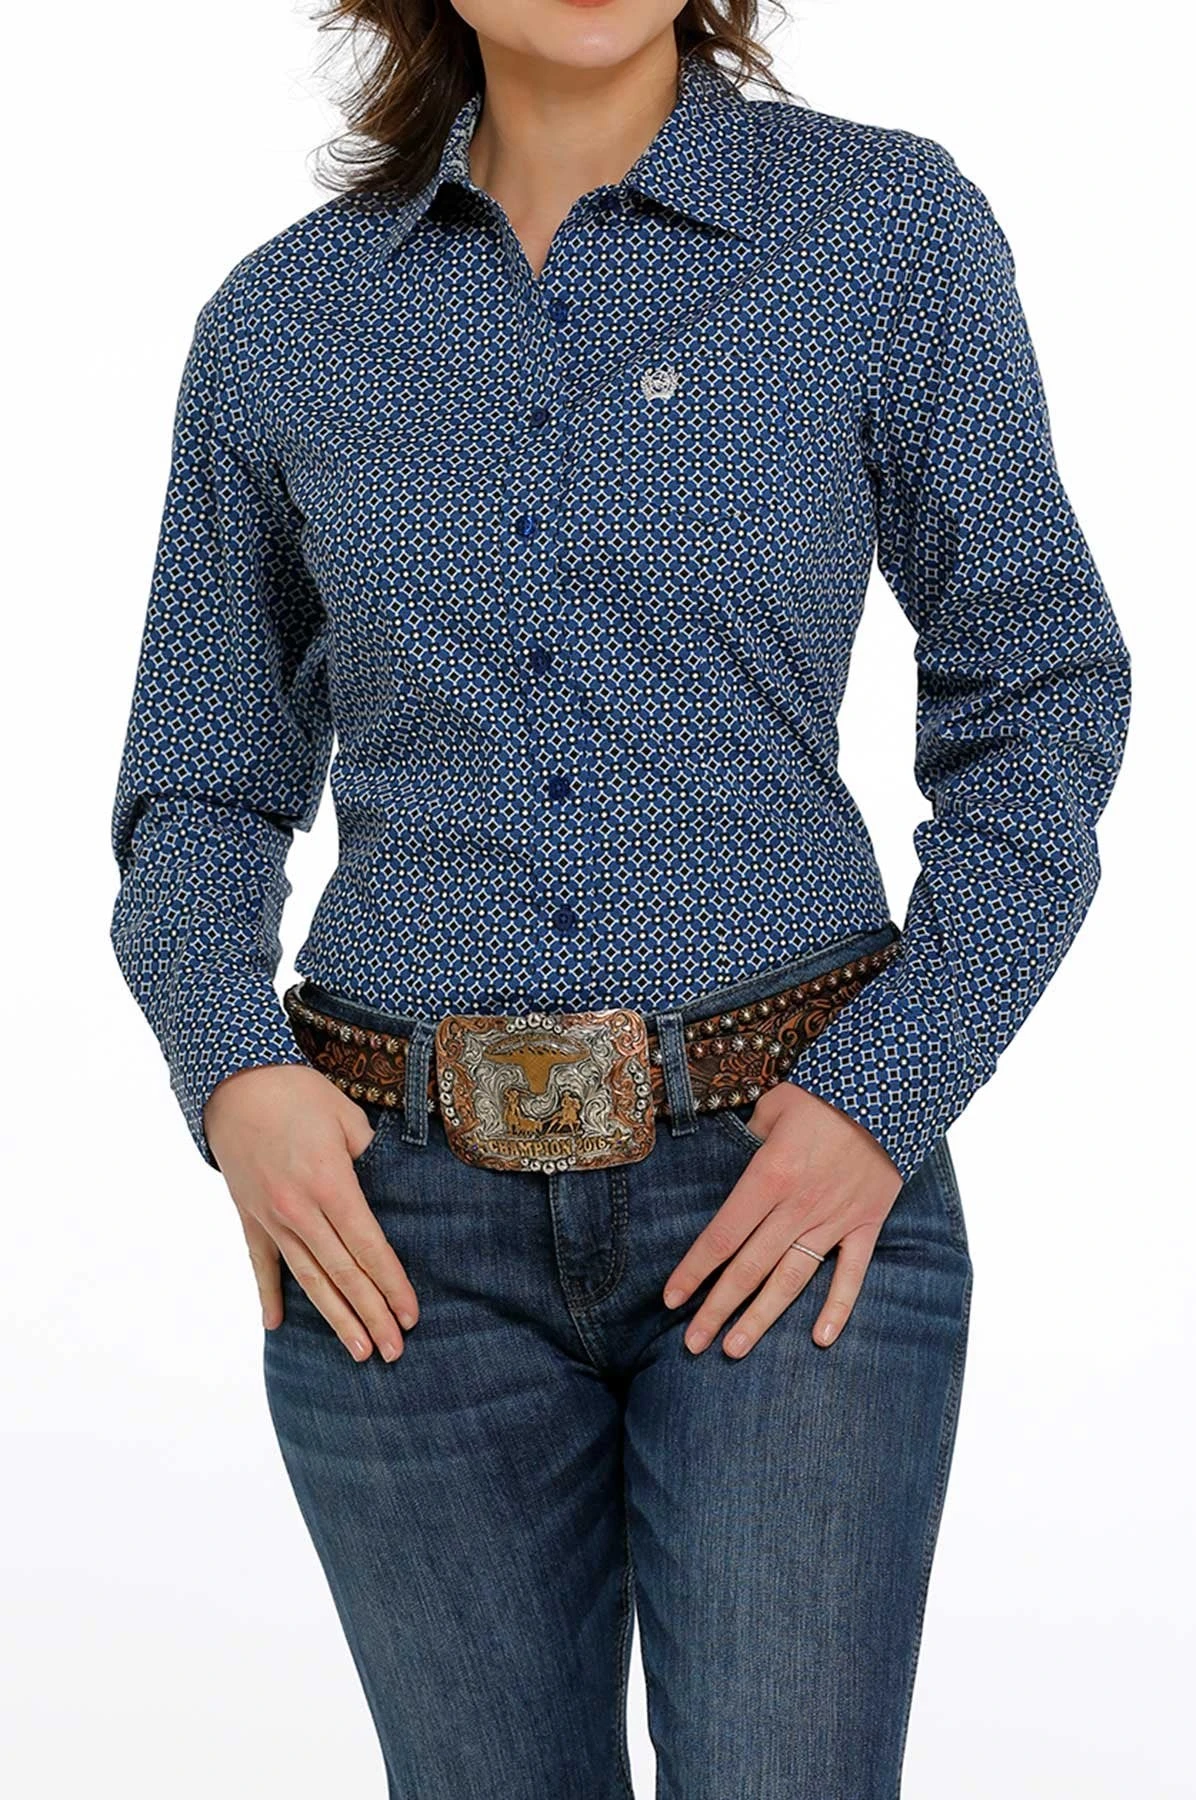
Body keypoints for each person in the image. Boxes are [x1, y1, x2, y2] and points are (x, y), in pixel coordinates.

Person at [108, 3, 1131, 1794]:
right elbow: (200, 774)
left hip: (789, 1193)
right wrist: (233, 1075)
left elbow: (1039, 688)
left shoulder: (880, 232)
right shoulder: (284, 323)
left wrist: (884, 1098)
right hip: (397, 1241)